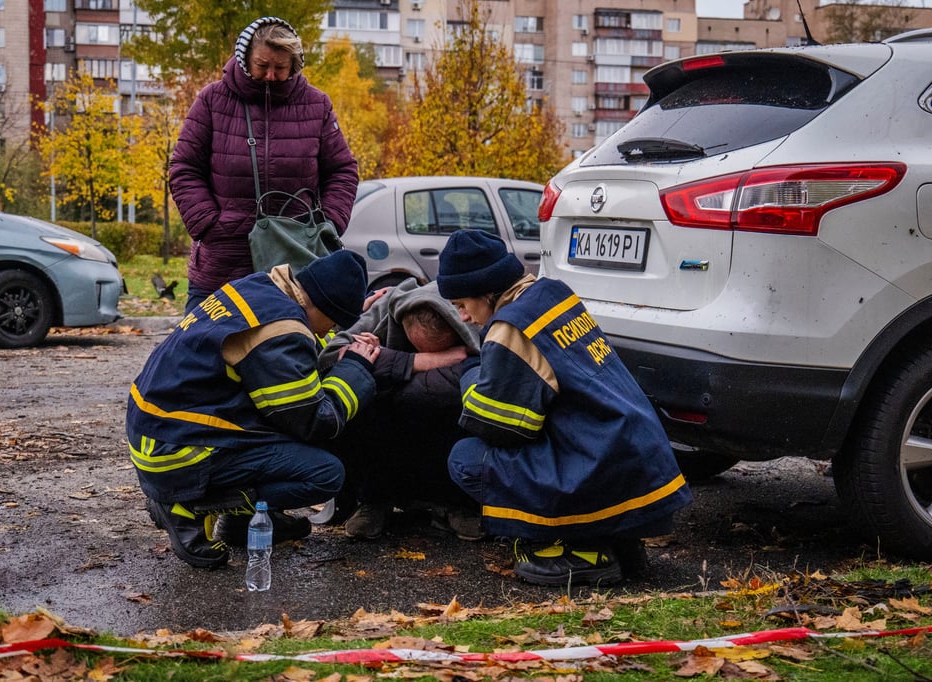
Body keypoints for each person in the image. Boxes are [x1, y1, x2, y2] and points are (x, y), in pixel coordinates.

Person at [435, 230, 692, 586]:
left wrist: (469, 373)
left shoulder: (512, 326)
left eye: (462, 304)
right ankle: (610, 537)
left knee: (467, 458)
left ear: (487, 291)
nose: (463, 317)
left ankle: (579, 548)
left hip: (605, 466)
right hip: (637, 464)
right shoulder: (553, 294)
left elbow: (496, 426)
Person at [126, 250, 380, 569]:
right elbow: (314, 421)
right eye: (332, 322)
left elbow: (280, 368)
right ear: (323, 306)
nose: (325, 332)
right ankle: (188, 507)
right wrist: (355, 368)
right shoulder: (282, 329)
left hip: (157, 433)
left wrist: (335, 348)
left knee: (268, 418)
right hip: (178, 450)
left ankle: (244, 521)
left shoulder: (259, 288)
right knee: (324, 474)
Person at [170, 16, 359, 314]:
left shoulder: (317, 105)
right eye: (262, 65)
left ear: (294, 66)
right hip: (223, 259)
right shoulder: (211, 100)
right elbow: (184, 168)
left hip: (295, 262)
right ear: (245, 59)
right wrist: (207, 224)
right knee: (199, 353)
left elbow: (342, 171)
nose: (270, 75)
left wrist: (330, 223)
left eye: (280, 68)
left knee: (290, 354)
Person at [317, 279, 483, 540]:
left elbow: (468, 373)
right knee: (357, 399)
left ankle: (456, 504)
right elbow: (330, 357)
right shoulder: (388, 306)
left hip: (441, 419)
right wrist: (420, 361)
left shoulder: (470, 314)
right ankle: (374, 500)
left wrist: (379, 363)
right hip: (390, 420)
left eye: (437, 352)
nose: (425, 356)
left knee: (451, 402)